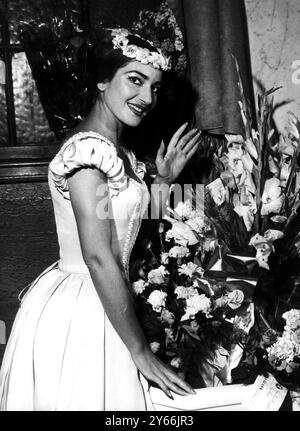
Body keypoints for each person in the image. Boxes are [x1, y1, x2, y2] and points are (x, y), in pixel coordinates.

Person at [0, 28, 201, 411]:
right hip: (85, 304)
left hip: (108, 295)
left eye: (155, 87)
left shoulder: (114, 149)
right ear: (102, 79)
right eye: (136, 80)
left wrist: (162, 183)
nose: (147, 98)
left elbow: (125, 230)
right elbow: (97, 255)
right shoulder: (88, 152)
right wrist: (140, 351)